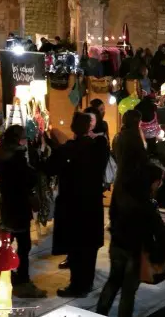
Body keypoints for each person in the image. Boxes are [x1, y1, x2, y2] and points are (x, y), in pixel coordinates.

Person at [97, 162, 165, 317]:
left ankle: (99, 314)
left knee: (113, 283)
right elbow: (164, 237)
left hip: (117, 246)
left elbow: (112, 217)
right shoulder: (147, 206)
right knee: (128, 292)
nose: (160, 184)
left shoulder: (122, 194)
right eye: (159, 180)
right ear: (153, 181)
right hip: (136, 253)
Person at [47, 112, 109, 297]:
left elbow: (49, 168)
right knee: (89, 247)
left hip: (72, 204)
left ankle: (77, 285)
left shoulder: (68, 149)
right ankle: (86, 283)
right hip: (92, 202)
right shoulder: (98, 148)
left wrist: (54, 146)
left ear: (74, 128)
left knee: (75, 245)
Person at [0, 125, 47, 298]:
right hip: (19, 206)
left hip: (7, 204)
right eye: (24, 138)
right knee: (24, 245)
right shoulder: (17, 158)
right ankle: (22, 281)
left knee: (6, 240)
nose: (26, 141)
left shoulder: (1, 155)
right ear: (18, 140)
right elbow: (28, 178)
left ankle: (2, 274)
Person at [113, 110, 149, 192]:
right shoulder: (134, 137)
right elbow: (142, 157)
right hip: (133, 179)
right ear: (135, 121)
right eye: (140, 120)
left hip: (120, 177)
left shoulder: (119, 136)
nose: (141, 122)